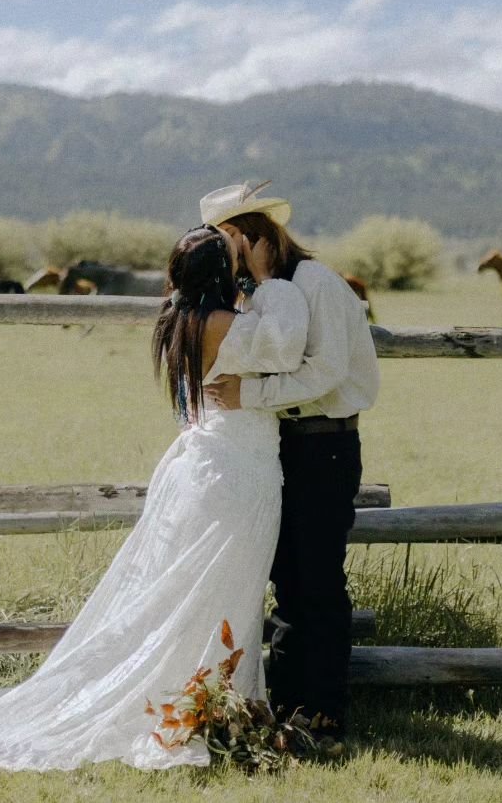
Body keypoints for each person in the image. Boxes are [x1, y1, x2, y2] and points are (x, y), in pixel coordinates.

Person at [0, 224, 310, 771]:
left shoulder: (180, 320)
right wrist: (270, 279)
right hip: (236, 473)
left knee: (197, 593)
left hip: (211, 467)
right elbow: (290, 342)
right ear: (223, 275)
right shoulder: (228, 324)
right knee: (221, 592)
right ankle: (202, 705)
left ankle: (204, 702)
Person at [201, 180, 379, 740]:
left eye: (228, 245)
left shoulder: (316, 285)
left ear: (245, 237)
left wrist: (246, 396)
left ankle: (324, 709)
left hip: (324, 445)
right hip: (288, 444)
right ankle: (290, 702)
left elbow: (324, 372)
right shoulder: (268, 292)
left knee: (317, 579)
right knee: (288, 575)